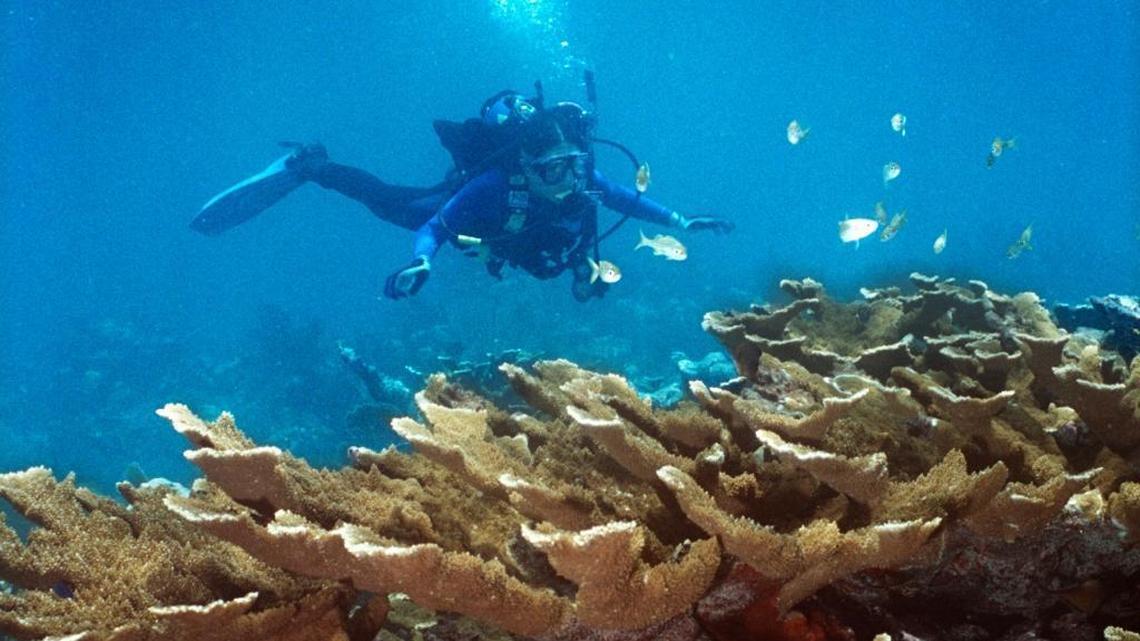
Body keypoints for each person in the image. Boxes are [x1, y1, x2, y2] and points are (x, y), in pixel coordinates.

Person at [190, 90, 734, 302]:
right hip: (473, 217)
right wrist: (421, 262)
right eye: (553, 167)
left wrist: (681, 222)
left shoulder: (582, 174)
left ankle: (314, 166)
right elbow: (437, 228)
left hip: (518, 245)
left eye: (572, 164)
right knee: (395, 206)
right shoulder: (496, 185)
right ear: (526, 163)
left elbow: (626, 201)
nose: (567, 176)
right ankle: (311, 165)